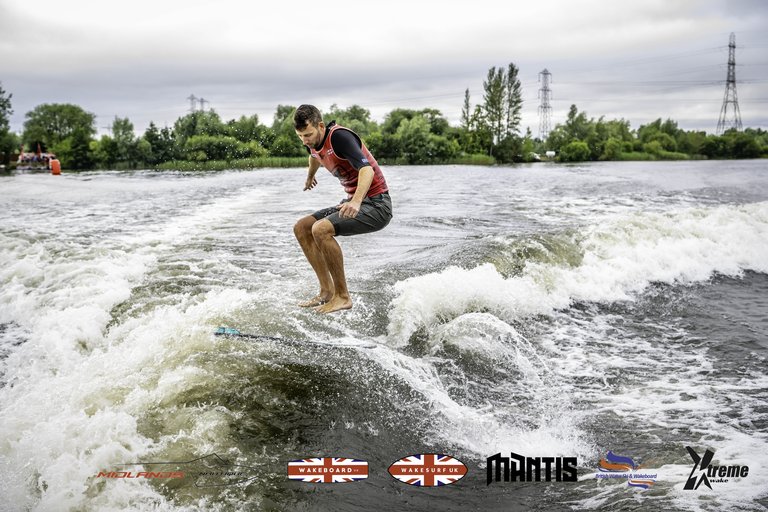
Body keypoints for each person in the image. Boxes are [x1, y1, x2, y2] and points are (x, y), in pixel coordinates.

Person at [292, 104, 392, 313]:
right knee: (302, 227)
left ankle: (343, 296)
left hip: (377, 204)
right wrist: (310, 176)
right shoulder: (311, 143)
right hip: (354, 201)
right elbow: (313, 155)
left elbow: (367, 170)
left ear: (320, 125)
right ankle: (326, 292)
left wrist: (355, 201)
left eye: (308, 134)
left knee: (320, 229)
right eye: (300, 136)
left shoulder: (340, 138)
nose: (305, 140)